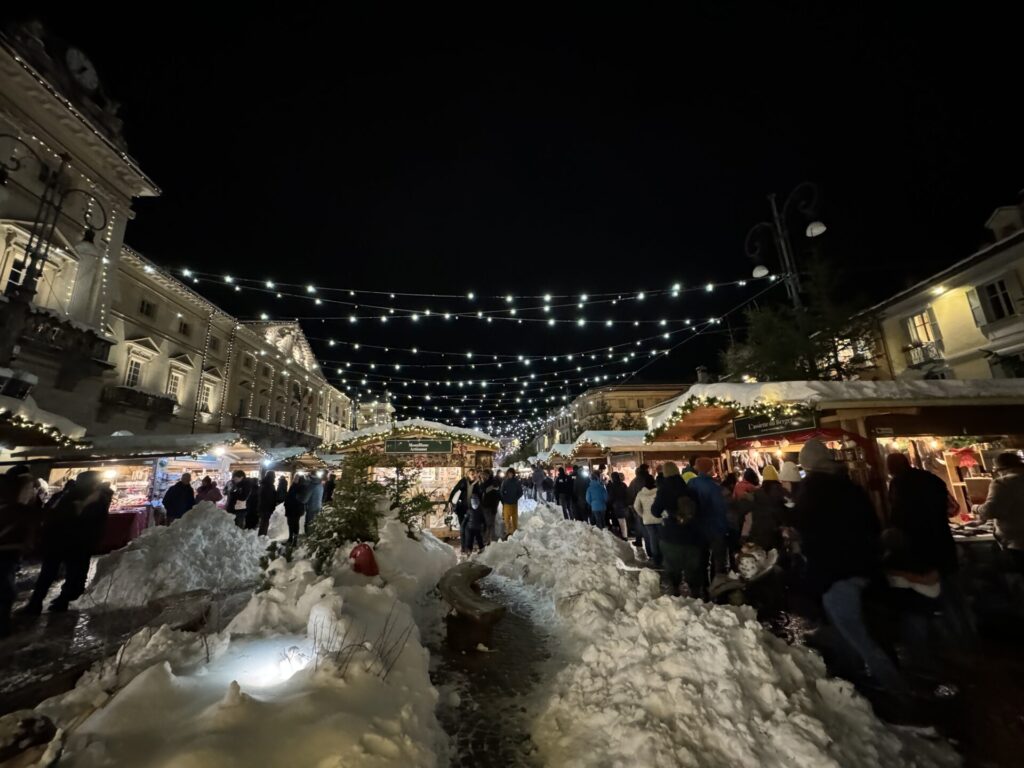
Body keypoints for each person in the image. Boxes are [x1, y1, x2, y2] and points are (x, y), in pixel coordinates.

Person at [795, 439, 908, 696]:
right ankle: (851, 678)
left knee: (857, 633)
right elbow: (872, 525)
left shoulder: (813, 491)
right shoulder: (850, 487)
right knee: (848, 628)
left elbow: (808, 530)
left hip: (834, 570)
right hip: (862, 567)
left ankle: (896, 691)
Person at [25, 470, 113, 614]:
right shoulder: (95, 497)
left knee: (52, 573)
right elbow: (93, 522)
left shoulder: (71, 494)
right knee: (71, 575)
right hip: (75, 543)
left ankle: (43, 603)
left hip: (64, 541)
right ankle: (58, 602)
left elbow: (49, 511)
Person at [651, 462, 704, 597]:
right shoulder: (689, 489)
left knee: (672, 567)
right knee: (692, 567)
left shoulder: (663, 490)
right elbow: (699, 510)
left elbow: (655, 511)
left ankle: (675, 594)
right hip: (692, 535)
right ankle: (696, 595)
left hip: (671, 535)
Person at [0, 472, 38, 635]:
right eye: (28, 488)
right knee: (5, 594)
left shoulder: (21, 510)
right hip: (4, 559)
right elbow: (30, 542)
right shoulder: (20, 512)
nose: (32, 492)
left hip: (9, 559)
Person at [975, 452, 1024, 572]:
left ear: (1000, 469)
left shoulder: (1003, 483)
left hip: (1017, 543)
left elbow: (990, 511)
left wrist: (975, 508)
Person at [688, 457, 731, 581]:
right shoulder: (715, 487)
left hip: (697, 528)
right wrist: (725, 528)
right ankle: (717, 586)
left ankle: (703, 586)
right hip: (715, 528)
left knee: (702, 560)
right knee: (718, 561)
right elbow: (721, 509)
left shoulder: (692, 483)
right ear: (708, 469)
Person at [738, 463, 786, 552]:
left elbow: (745, 510)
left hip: (759, 531)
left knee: (764, 557)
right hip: (777, 531)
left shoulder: (757, 493)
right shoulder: (782, 491)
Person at [449, 468, 480, 553]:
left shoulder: (476, 484)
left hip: (471, 509)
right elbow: (455, 491)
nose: (473, 475)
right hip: (461, 508)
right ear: (467, 475)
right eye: (471, 474)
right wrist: (450, 502)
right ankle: (464, 547)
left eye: (474, 474)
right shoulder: (463, 482)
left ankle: (468, 546)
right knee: (463, 528)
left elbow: (479, 495)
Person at [633, 473, 661, 567]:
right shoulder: (658, 492)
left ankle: (654, 557)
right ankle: (661, 557)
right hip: (659, 518)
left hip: (647, 519)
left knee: (650, 538)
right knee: (660, 538)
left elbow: (636, 506)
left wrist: (642, 514)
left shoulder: (641, 493)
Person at [284, 474, 312, 545]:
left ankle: (294, 540)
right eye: (294, 478)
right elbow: (289, 495)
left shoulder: (302, 487)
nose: (294, 479)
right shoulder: (294, 485)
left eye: (296, 478)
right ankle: (290, 538)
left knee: (295, 524)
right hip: (290, 508)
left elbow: (300, 498)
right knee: (290, 523)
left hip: (296, 509)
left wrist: (293, 499)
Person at [500, 468, 523, 538]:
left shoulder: (517, 482)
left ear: (513, 474)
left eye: (511, 473)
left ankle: (514, 532)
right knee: (506, 518)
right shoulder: (505, 482)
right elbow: (501, 491)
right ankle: (508, 532)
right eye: (509, 473)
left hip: (514, 503)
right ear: (507, 474)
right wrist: (504, 498)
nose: (510, 474)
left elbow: (520, 492)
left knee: (514, 518)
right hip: (506, 503)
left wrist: (516, 498)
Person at [480, 469, 501, 544]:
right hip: (485, 506)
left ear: (489, 475)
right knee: (488, 523)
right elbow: (482, 491)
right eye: (483, 475)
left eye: (485, 475)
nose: (484, 476)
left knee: (490, 523)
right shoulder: (484, 483)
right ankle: (489, 538)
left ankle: (490, 539)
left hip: (491, 506)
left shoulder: (493, 482)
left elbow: (495, 494)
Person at [608, 472, 630, 538]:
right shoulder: (623, 485)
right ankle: (624, 536)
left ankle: (620, 536)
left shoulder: (611, 486)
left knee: (616, 522)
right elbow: (627, 494)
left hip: (615, 507)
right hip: (624, 505)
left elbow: (610, 497)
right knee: (623, 522)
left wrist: (609, 505)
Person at [258, 470, 278, 536]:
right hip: (267, 507)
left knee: (263, 521)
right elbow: (269, 497)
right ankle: (262, 536)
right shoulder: (269, 485)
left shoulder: (264, 484)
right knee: (264, 522)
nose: (275, 478)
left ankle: (262, 535)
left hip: (263, 506)